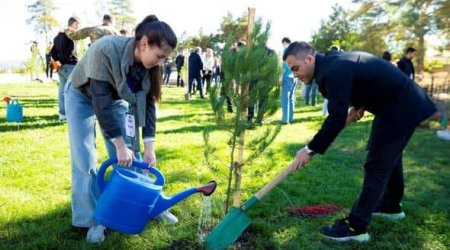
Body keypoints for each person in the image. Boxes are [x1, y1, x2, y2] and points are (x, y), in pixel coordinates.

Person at [284, 41, 436, 242]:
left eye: (296, 68)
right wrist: (359, 105)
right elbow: (362, 78)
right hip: (397, 103)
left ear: (309, 59)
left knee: (377, 164)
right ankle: (390, 206)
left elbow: (335, 118)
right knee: (388, 156)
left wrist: (309, 149)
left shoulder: (332, 70)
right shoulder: (331, 62)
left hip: (400, 106)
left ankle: (356, 226)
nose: (295, 75)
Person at [65, 15, 178, 243]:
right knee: (84, 158)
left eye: (165, 58)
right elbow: (100, 102)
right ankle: (93, 221)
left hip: (114, 99)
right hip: (82, 94)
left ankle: (150, 204)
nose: (161, 62)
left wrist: (149, 147)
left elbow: (147, 106)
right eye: (160, 56)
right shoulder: (105, 49)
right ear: (144, 43)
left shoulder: (150, 65)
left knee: (132, 154)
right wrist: (118, 144)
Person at [51, 16, 80, 121]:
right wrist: (62, 61)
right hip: (71, 66)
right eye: (78, 24)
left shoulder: (57, 37)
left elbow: (52, 52)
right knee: (75, 91)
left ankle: (62, 115)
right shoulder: (71, 35)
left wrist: (58, 62)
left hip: (61, 68)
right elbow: (71, 51)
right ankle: (73, 114)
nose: (78, 27)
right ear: (73, 24)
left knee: (62, 91)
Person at [280, 37, 297, 124]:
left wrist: (280, 77)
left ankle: (285, 120)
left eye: (282, 43)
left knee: (285, 99)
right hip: (294, 77)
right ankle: (290, 118)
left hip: (286, 77)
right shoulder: (295, 52)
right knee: (291, 99)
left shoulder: (286, 50)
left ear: (284, 42)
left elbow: (284, 65)